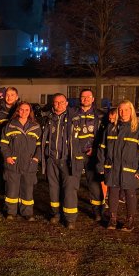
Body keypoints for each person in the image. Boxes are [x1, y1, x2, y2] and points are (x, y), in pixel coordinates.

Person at [98, 101, 139, 232]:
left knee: (129, 194)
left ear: (131, 111)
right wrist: (101, 166)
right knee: (113, 194)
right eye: (120, 110)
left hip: (130, 170)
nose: (123, 113)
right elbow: (102, 149)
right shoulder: (110, 128)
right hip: (112, 168)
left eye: (126, 110)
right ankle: (112, 219)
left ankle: (130, 221)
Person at [42, 93, 90, 229]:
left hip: (69, 161)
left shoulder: (75, 117)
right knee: (53, 189)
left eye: (62, 102)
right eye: (56, 102)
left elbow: (85, 136)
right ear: (53, 104)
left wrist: (81, 151)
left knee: (70, 189)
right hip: (52, 160)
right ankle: (56, 214)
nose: (59, 105)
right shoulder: (48, 118)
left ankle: (69, 219)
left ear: (67, 103)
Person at [0, 102, 42, 221]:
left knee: (28, 189)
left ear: (30, 112)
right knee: (12, 188)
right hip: (13, 163)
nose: (24, 112)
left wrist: (36, 158)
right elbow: (3, 144)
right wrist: (7, 156)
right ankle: (10, 212)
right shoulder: (10, 126)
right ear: (18, 111)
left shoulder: (36, 127)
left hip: (29, 163)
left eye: (27, 110)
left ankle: (27, 212)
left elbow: (40, 146)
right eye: (21, 110)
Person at [71, 89, 106, 221]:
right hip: (76, 154)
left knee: (95, 183)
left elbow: (104, 135)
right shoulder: (72, 113)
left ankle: (98, 211)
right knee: (72, 182)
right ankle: (70, 208)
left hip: (93, 154)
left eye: (88, 97)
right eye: (83, 97)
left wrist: (96, 149)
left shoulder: (101, 115)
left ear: (93, 99)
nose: (85, 99)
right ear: (80, 99)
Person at [0, 87, 20, 212]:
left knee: (14, 178)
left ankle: (14, 203)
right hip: (0, 149)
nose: (9, 97)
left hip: (16, 150)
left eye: (12, 95)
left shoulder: (21, 111)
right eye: (7, 95)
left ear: (17, 97)